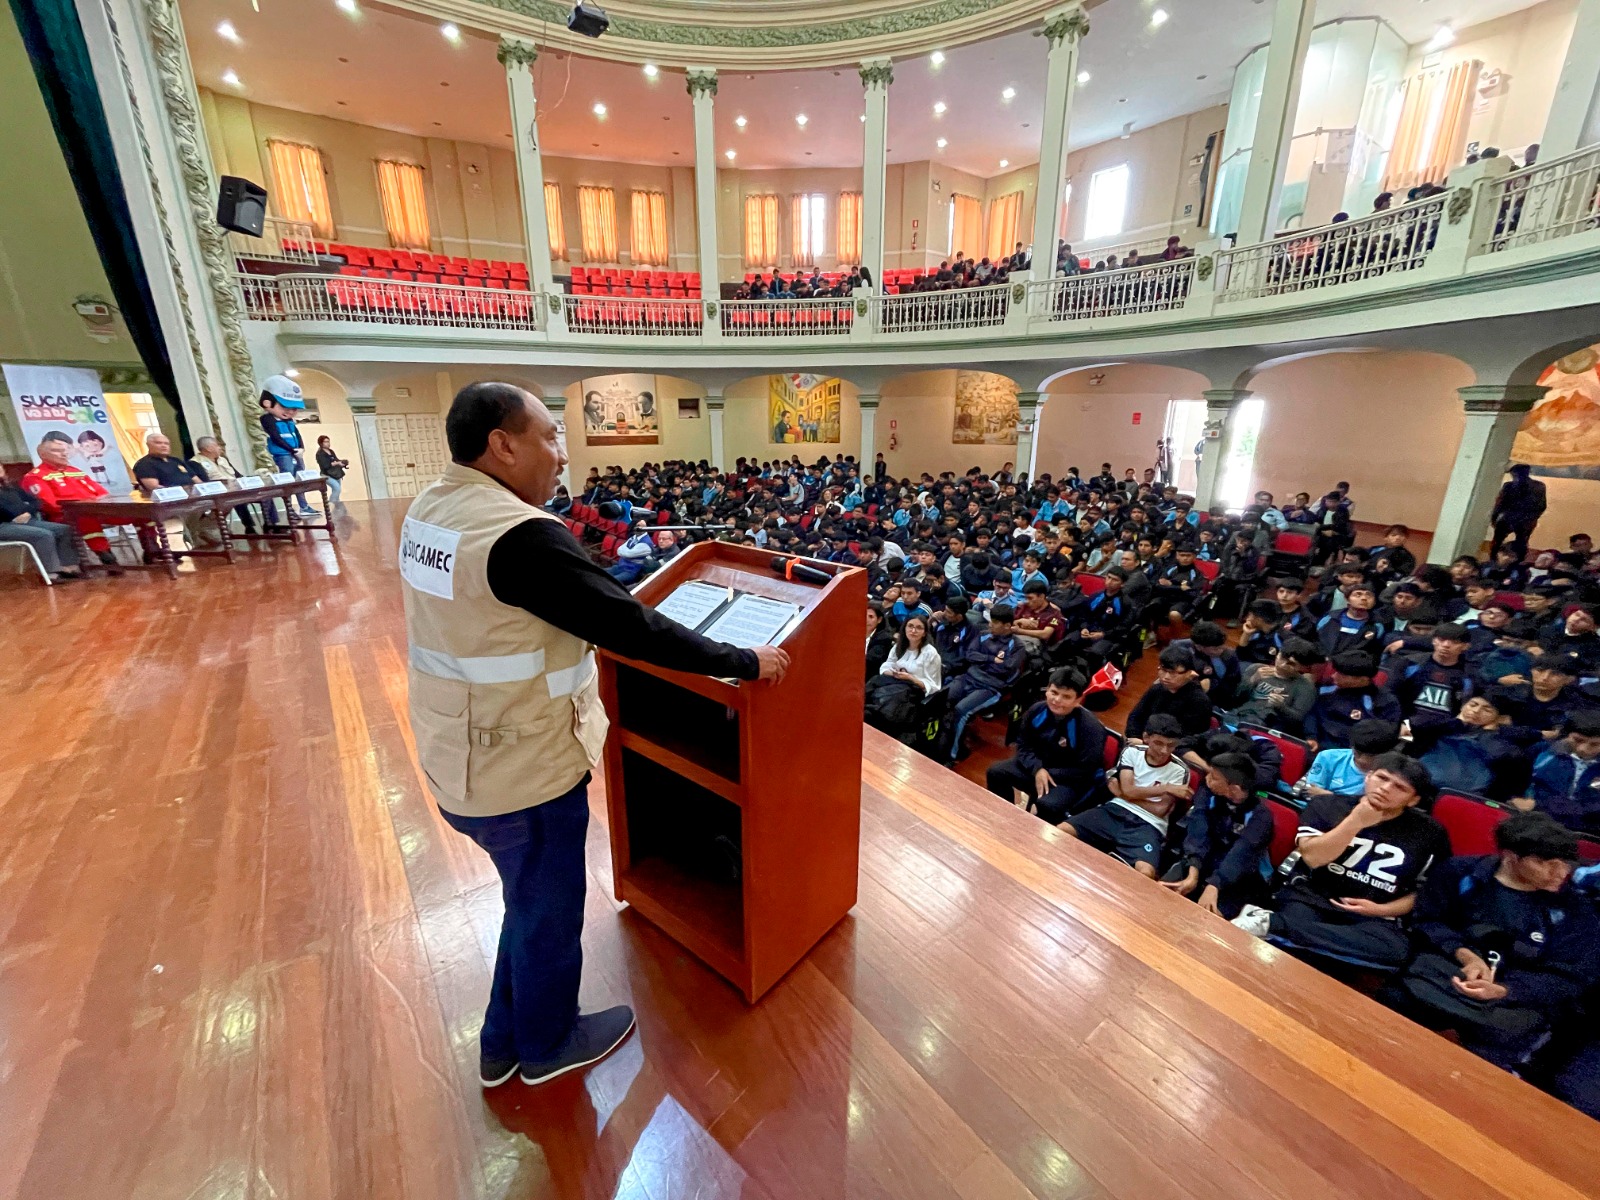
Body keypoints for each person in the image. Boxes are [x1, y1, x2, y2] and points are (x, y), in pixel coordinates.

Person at [399, 382, 788, 1089]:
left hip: (456, 746)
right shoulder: (518, 537)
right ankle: (547, 1044)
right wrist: (742, 661)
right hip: (519, 760)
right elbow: (629, 627)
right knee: (547, 906)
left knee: (524, 897)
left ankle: (500, 1042)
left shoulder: (432, 509)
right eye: (549, 434)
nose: (561, 451)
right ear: (502, 444)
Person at [1383, 812, 1600, 1073]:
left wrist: (1507, 990)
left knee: (1496, 1051)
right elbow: (1428, 920)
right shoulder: (1459, 874)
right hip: (1447, 976)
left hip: (1513, 1001)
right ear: (1510, 857)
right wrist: (1466, 955)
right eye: (1546, 863)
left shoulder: (1575, 911)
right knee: (1397, 1003)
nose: (1560, 873)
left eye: (1566, 864)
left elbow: (1572, 976)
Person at [1236, 754, 1450, 973]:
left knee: (1397, 951)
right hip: (1314, 897)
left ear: (1413, 799)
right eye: (1382, 778)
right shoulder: (1327, 806)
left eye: (1399, 787)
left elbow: (1425, 893)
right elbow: (1312, 858)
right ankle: (1296, 936)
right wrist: (1355, 822)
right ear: (1368, 777)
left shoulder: (1431, 833)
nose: (1385, 788)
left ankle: (1274, 925)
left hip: (1375, 914)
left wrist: (1380, 910)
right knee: (1307, 952)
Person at [1062, 714, 1193, 878]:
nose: (1164, 751)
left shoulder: (1180, 770)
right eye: (1159, 743)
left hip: (1148, 824)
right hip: (1114, 811)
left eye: (1171, 745)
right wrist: (1164, 788)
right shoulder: (1132, 752)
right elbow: (1129, 790)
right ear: (1146, 737)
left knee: (1146, 873)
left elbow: (1159, 810)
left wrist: (1123, 794)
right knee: (1062, 831)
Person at [985, 668, 1108, 822]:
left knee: (1048, 806)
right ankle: (1002, 818)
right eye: (1054, 692)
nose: (1057, 700)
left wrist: (1048, 773)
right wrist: (1037, 769)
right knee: (995, 772)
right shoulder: (1036, 710)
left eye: (1066, 697)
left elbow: (1086, 769)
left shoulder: (1091, 728)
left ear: (1078, 700)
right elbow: (1023, 745)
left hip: (1068, 780)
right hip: (1039, 768)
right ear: (1047, 689)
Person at [1161, 752, 1275, 917]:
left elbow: (1240, 855)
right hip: (1202, 859)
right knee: (1162, 892)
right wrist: (1193, 871)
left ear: (1234, 788)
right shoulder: (1208, 792)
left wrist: (1214, 885)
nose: (1207, 779)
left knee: (1208, 917)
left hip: (1237, 879)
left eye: (1214, 777)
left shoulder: (1261, 817)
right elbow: (1199, 830)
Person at [20, 433, 123, 572]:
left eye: (64, 451)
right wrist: (85, 508)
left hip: (97, 510)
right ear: (42, 455)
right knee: (86, 519)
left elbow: (102, 493)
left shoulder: (75, 471)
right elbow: (49, 504)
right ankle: (107, 558)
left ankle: (151, 551)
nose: (63, 454)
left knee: (143, 514)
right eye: (57, 451)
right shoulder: (35, 476)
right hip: (66, 516)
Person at [944, 603, 1024, 762]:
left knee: (961, 710)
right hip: (968, 677)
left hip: (991, 687)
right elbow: (970, 654)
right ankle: (940, 742)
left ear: (1007, 626)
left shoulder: (1017, 646)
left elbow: (1005, 669)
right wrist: (990, 659)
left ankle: (952, 755)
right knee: (941, 698)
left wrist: (984, 662)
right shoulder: (983, 635)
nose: (990, 624)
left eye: (994, 623)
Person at [1519, 710, 1600, 836]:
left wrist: (1539, 806)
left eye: (1595, 744)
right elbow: (1525, 784)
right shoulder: (1544, 752)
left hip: (1585, 834)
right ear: (1567, 736)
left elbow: (1593, 809)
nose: (1583, 749)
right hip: (1534, 824)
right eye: (1578, 740)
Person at [865, 614, 941, 737]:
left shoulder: (931, 653)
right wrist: (891, 672)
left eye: (918, 628)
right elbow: (887, 665)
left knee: (894, 696)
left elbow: (934, 685)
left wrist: (910, 678)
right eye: (910, 626)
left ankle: (876, 722)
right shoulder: (899, 646)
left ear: (924, 632)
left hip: (913, 689)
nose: (913, 630)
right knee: (874, 681)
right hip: (894, 680)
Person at [0, 474, 83, 581]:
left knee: (63, 529)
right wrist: (14, 515)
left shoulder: (10, 488)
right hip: (3, 525)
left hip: (25, 520)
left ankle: (70, 567)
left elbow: (36, 501)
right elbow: (4, 509)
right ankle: (52, 572)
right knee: (43, 535)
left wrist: (28, 512)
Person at [1124, 645, 1214, 740]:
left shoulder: (1199, 701)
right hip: (1145, 741)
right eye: (1163, 670)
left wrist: (1147, 744)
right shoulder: (1157, 689)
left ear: (1189, 673)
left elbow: (1188, 737)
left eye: (1172, 673)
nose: (1166, 677)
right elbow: (1136, 716)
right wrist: (1135, 736)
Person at [259, 374, 317, 514]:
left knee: (300, 480)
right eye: (285, 407)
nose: (290, 412)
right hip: (283, 455)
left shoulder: (289, 421)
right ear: (267, 403)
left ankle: (304, 506)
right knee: (287, 482)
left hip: (296, 453)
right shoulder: (267, 419)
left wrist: (301, 448)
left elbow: (297, 434)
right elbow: (276, 437)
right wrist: (291, 450)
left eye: (294, 409)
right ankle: (289, 509)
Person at [1302, 718, 1400, 796]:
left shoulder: (1392, 776)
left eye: (1367, 755)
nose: (1358, 756)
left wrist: (1327, 794)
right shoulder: (1328, 757)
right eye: (1357, 751)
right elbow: (1311, 793)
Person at [1490, 463, 1547, 560]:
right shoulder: (1538, 486)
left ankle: (1496, 560)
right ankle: (1502, 560)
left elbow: (1499, 504)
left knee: (1503, 542)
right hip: (1516, 519)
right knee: (1516, 542)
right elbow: (1542, 506)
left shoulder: (1510, 486)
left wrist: (1494, 518)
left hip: (1513, 518)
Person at [315, 435, 349, 507]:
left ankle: (337, 506)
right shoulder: (320, 454)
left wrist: (341, 462)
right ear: (321, 443)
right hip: (326, 474)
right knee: (337, 488)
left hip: (335, 473)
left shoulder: (331, 451)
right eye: (326, 442)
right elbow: (325, 465)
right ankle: (331, 505)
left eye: (328, 441)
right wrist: (336, 463)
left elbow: (336, 459)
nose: (328, 443)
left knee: (337, 491)